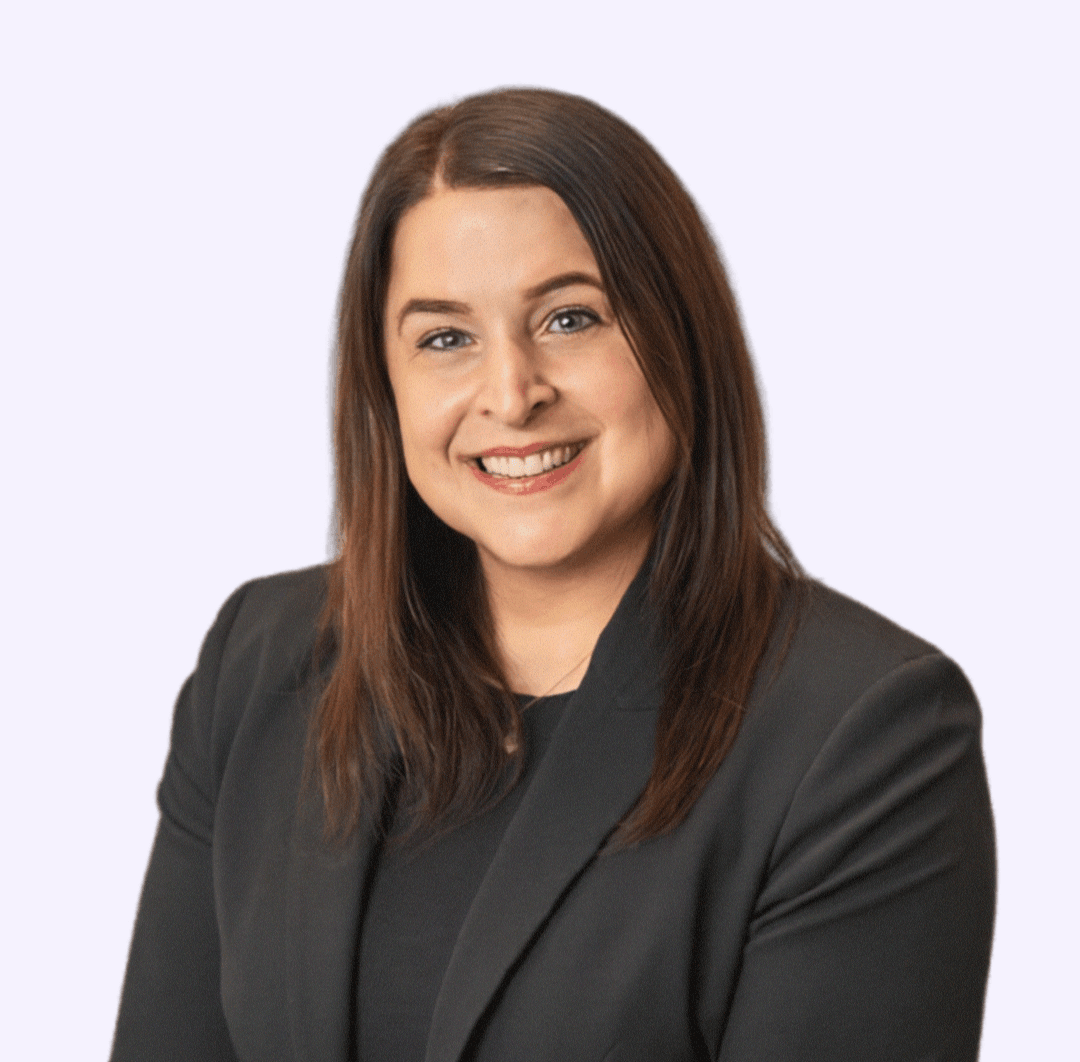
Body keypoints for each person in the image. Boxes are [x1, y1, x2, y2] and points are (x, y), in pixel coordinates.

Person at [110, 87, 995, 1062]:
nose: (511, 394)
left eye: (571, 318)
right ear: (384, 382)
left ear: (681, 335)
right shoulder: (260, 660)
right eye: (446, 338)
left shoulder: (866, 733)